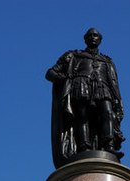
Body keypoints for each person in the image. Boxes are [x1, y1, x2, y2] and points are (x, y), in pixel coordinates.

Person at [46, 28, 124, 167]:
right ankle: (83, 146)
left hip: (102, 88)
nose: (93, 38)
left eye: (96, 35)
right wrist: (66, 79)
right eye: (90, 35)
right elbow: (50, 73)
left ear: (100, 40)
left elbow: (114, 84)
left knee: (107, 113)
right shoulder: (74, 55)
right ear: (85, 39)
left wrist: (117, 101)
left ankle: (109, 145)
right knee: (82, 116)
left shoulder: (107, 61)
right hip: (81, 86)